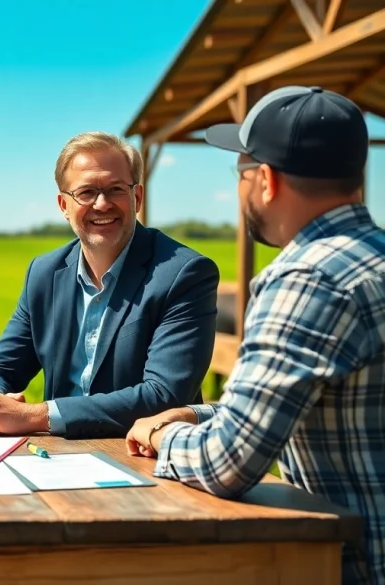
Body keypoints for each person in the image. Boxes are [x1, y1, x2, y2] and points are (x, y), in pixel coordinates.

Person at [124, 86, 382, 585]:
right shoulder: (371, 259)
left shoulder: (307, 280)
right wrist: (196, 413)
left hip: (352, 565)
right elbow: (303, 403)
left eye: (239, 173)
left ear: (264, 180)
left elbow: (229, 461)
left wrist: (162, 434)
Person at [0, 131, 220, 439]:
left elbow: (165, 395)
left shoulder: (184, 273)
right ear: (63, 205)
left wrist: (36, 416)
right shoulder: (44, 273)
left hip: (140, 460)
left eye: (115, 189)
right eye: (86, 192)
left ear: (136, 198)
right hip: (57, 457)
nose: (102, 203)